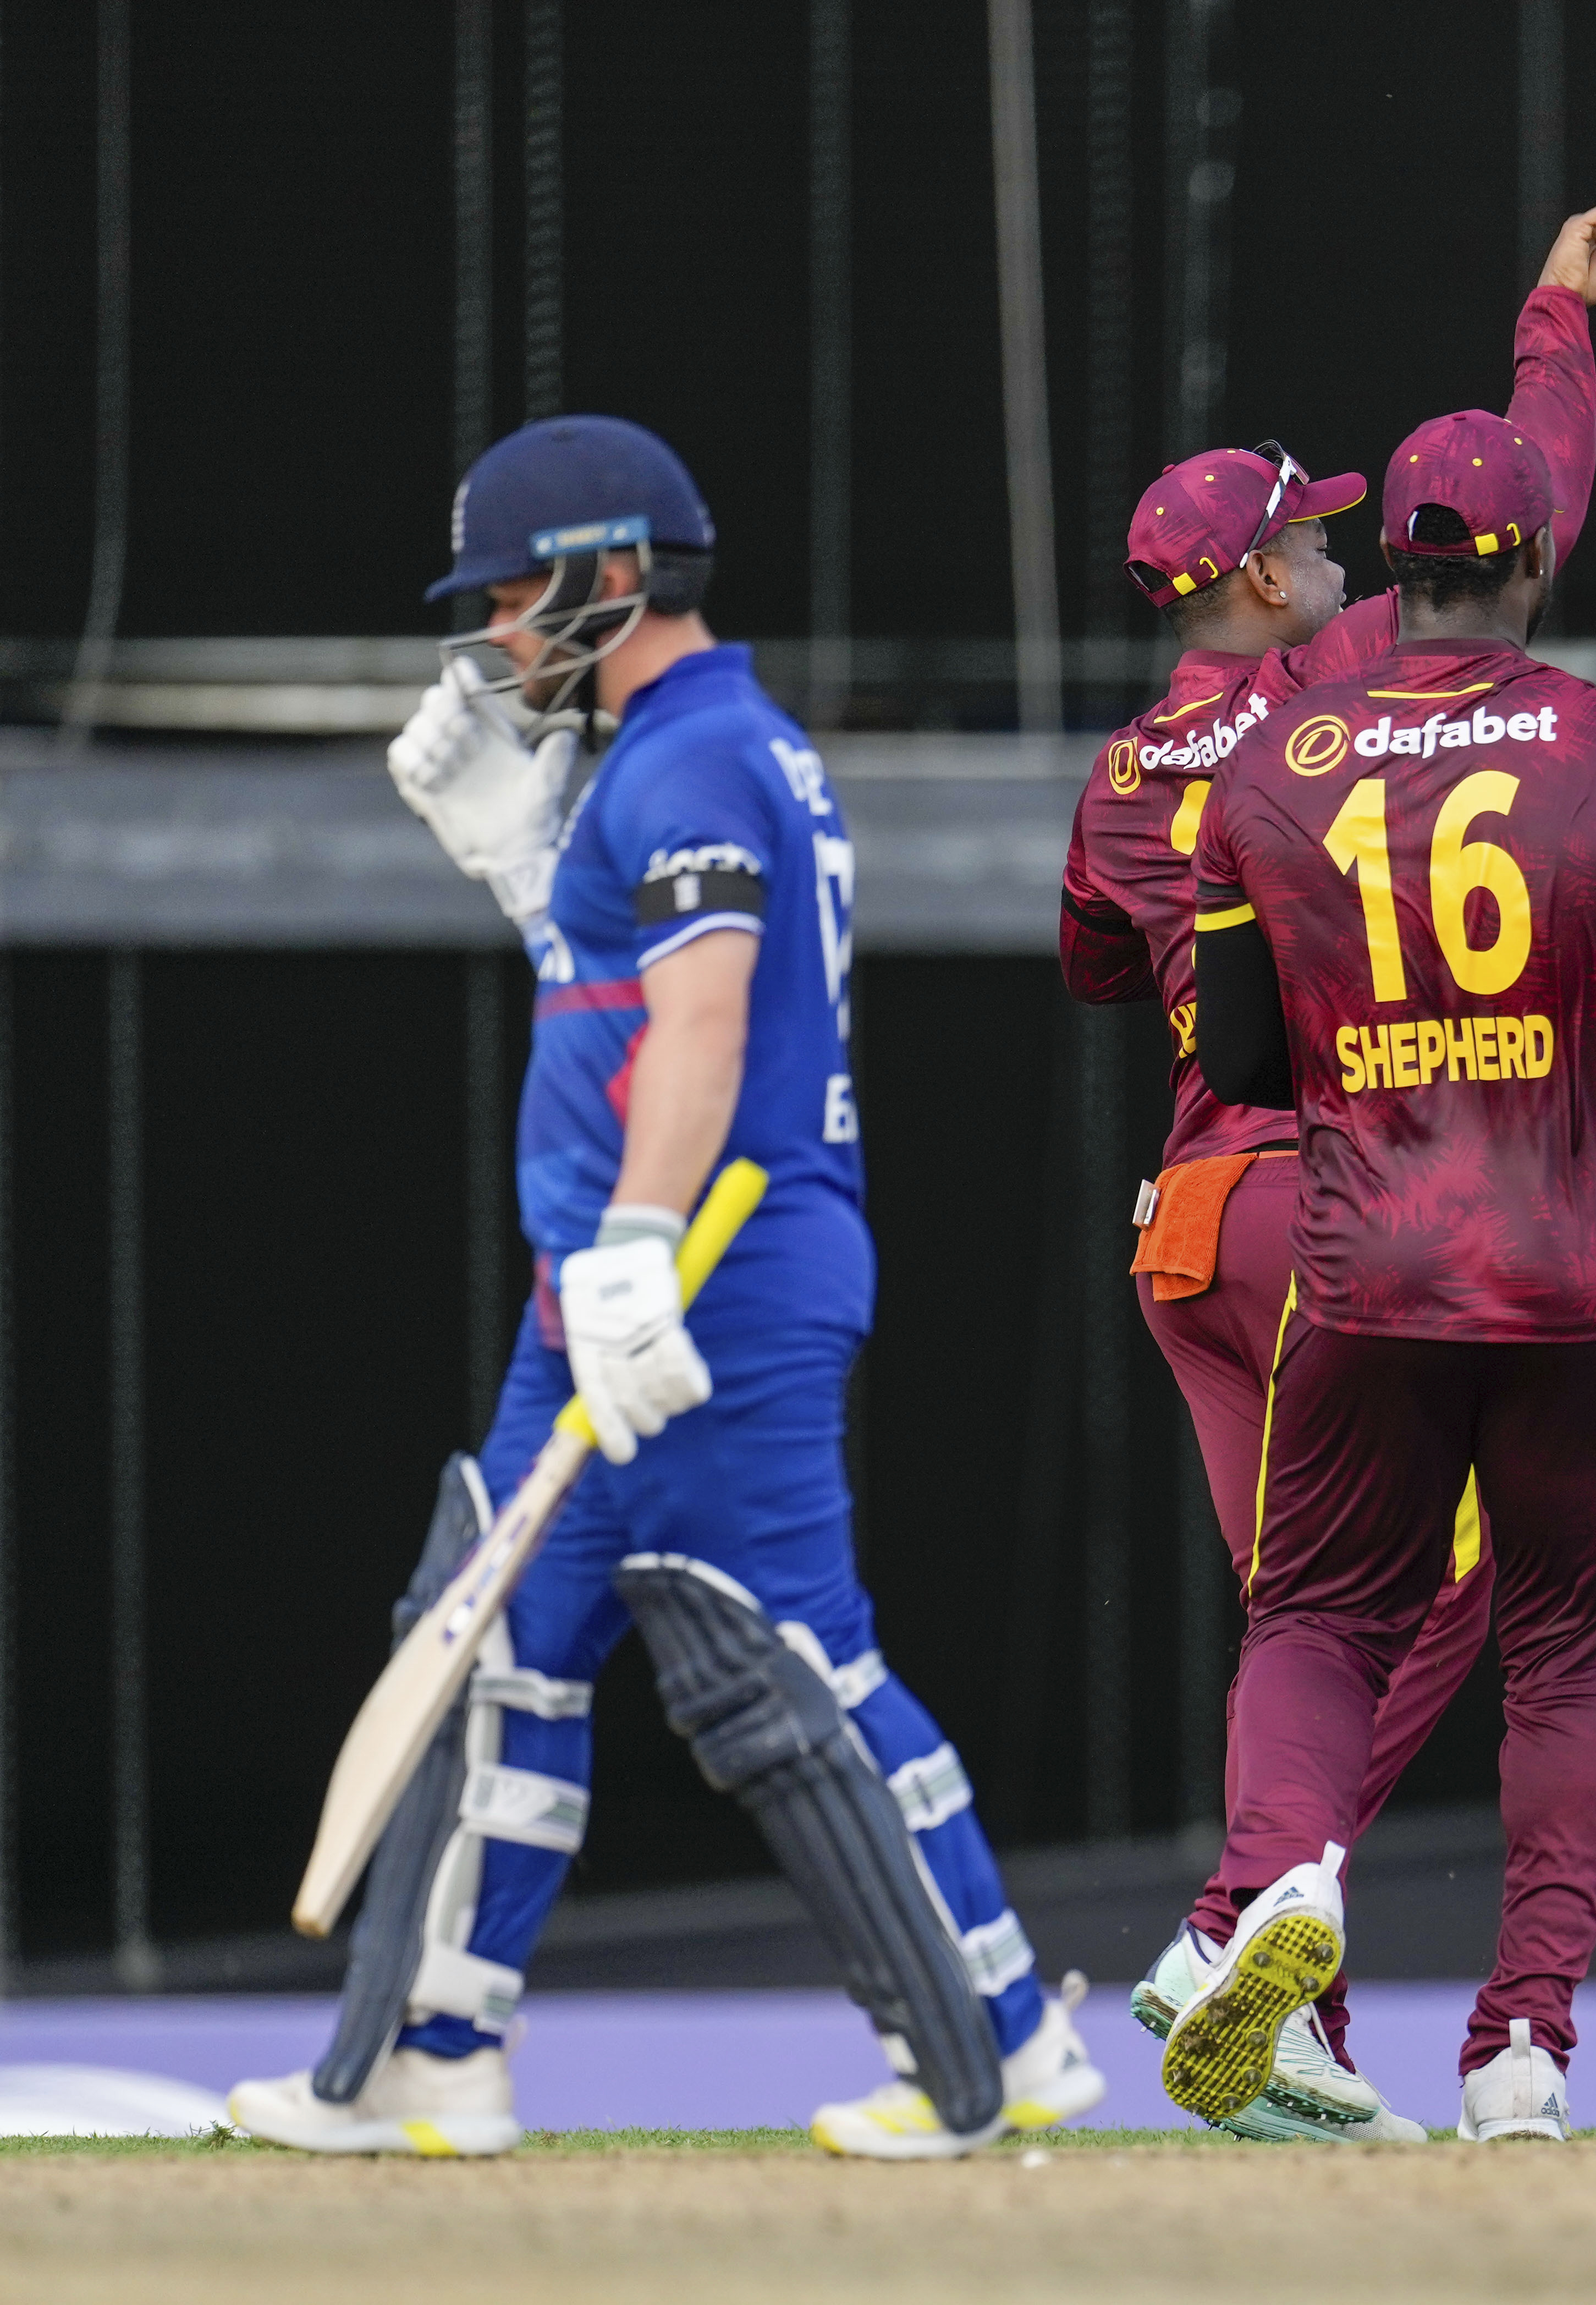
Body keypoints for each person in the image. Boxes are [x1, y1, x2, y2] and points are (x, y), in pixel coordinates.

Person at [232, 418, 1104, 2159]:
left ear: (610, 573)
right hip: (613, 1280)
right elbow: (632, 986)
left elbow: (707, 1024)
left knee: (788, 1660)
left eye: (508, 596)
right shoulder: (665, 758)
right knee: (501, 1644)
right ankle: (434, 2049)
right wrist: (535, 880)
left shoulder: (701, 753)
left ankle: (999, 2037)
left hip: (709, 1270)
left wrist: (639, 1250)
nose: (492, 637)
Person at [1163, 407, 1596, 2145]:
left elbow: (1246, 1055)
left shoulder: (1270, 769)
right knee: (1575, 1651)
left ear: (1394, 567)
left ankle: (1281, 1884)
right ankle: (1520, 2051)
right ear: (1541, 555)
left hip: (1363, 1269)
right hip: (1577, 1283)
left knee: (1322, 1616)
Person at [1058, 195, 1596, 2146]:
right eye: (1303, 538)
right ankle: (1240, 1919)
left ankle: (1272, 1981)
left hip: (1181, 1233)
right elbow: (1532, 498)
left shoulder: (1129, 764)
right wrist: (1556, 314)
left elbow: (1092, 957)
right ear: (1250, 582)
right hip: (1334, 1215)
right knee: (1428, 1600)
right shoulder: (1339, 701)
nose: (1333, 549)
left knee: (1306, 1624)